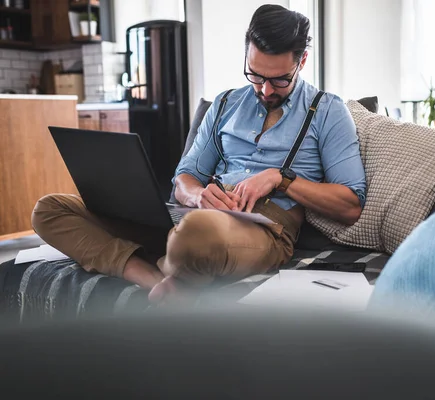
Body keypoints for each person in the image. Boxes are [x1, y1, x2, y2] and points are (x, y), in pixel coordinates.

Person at [31, 4, 366, 301]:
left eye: (278, 80)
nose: (264, 90)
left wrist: (280, 179)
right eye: (255, 75)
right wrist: (196, 197)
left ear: (302, 61)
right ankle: (150, 276)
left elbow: (350, 205)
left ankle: (175, 257)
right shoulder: (224, 104)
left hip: (264, 229)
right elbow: (184, 178)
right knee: (50, 210)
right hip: (196, 217)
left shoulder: (327, 111)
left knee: (194, 235)